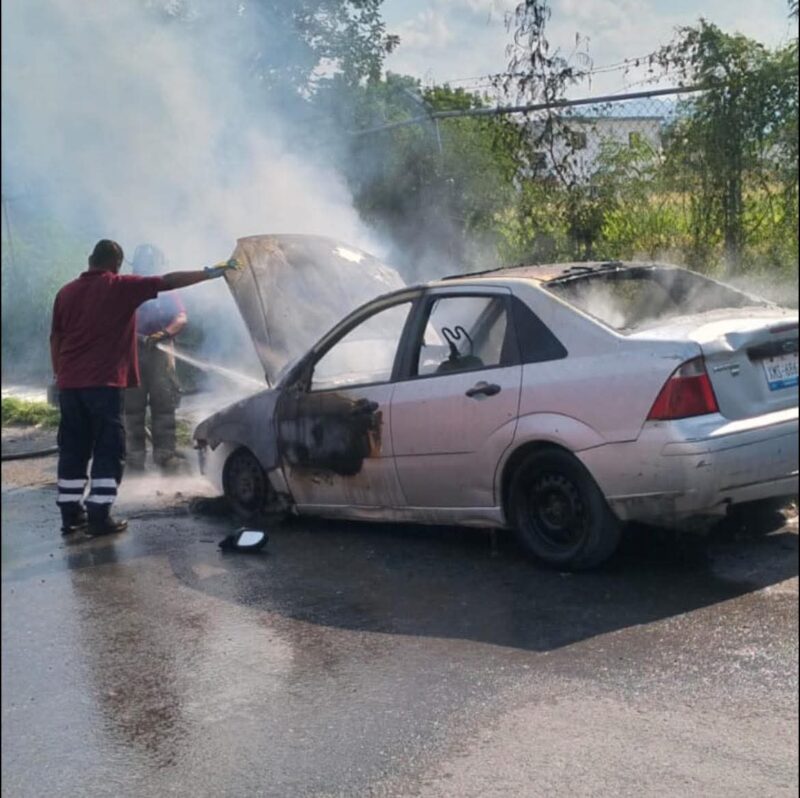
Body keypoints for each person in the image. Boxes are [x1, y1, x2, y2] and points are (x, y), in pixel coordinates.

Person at [50, 239, 239, 537]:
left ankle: (71, 516)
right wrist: (208, 272)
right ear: (117, 265)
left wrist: (59, 375)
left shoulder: (65, 293)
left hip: (70, 386)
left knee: (73, 449)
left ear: (89, 259)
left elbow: (56, 339)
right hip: (102, 383)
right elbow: (168, 281)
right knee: (108, 448)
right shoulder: (119, 286)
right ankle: (99, 516)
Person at [124, 244, 188, 473]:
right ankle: (134, 460)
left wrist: (164, 333)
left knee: (164, 404)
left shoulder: (167, 289)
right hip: (131, 352)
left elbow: (181, 317)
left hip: (162, 352)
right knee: (132, 407)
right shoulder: (126, 287)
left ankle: (165, 456)